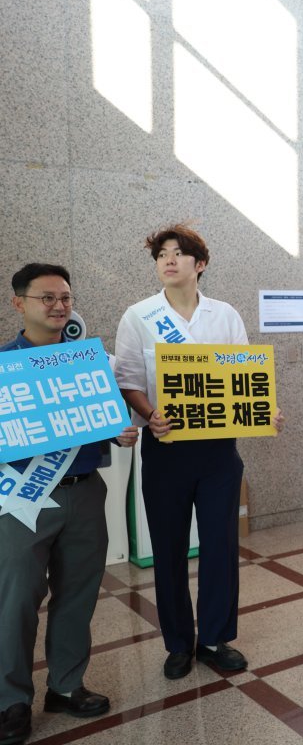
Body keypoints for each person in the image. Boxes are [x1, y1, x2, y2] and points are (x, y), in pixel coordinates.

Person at [114, 224, 283, 680]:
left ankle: (213, 638)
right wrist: (149, 415)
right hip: (166, 448)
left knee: (221, 546)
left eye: (178, 253)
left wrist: (263, 411)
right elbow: (128, 379)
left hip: (218, 453)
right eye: (161, 254)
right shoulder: (139, 316)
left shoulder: (224, 315)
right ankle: (177, 644)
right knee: (168, 550)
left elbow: (244, 375)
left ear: (199, 264)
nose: (168, 260)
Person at [0, 264, 138, 745]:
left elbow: (112, 426)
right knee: (15, 600)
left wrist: (122, 434)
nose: (59, 306)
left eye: (65, 297)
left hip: (84, 490)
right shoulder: (5, 367)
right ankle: (10, 701)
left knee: (78, 594)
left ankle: (65, 685)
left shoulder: (90, 362)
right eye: (47, 298)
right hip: (23, 499)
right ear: (19, 304)